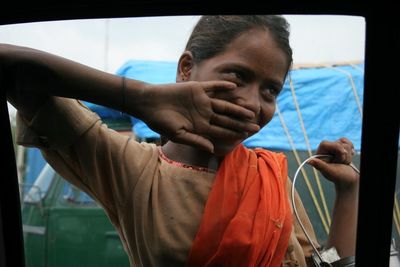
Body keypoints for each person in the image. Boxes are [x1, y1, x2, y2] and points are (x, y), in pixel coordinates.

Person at [2, 15, 359, 267]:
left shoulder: (272, 178)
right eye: (238, 75)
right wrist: (141, 97)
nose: (253, 104)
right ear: (187, 69)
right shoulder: (134, 169)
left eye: (270, 90)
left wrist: (348, 193)